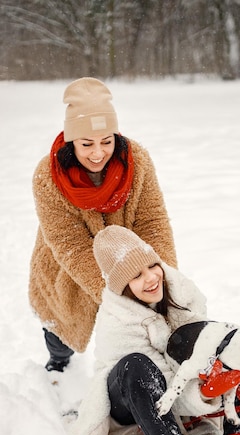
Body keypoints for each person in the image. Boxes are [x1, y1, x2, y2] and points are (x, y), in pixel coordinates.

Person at [68, 225, 240, 435]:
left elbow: (201, 348)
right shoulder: (116, 322)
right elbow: (165, 390)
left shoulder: (180, 293)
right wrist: (206, 394)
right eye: (136, 276)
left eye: (153, 266)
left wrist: (226, 370)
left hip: (172, 390)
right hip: (128, 401)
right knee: (136, 366)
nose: (151, 278)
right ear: (123, 286)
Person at [29, 77, 177, 372]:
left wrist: (164, 280)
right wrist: (118, 294)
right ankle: (59, 362)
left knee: (134, 333)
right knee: (63, 329)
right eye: (86, 144)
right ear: (72, 141)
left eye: (106, 141)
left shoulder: (138, 161)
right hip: (67, 270)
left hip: (133, 263)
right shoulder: (48, 175)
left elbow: (152, 222)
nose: (98, 153)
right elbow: (70, 245)